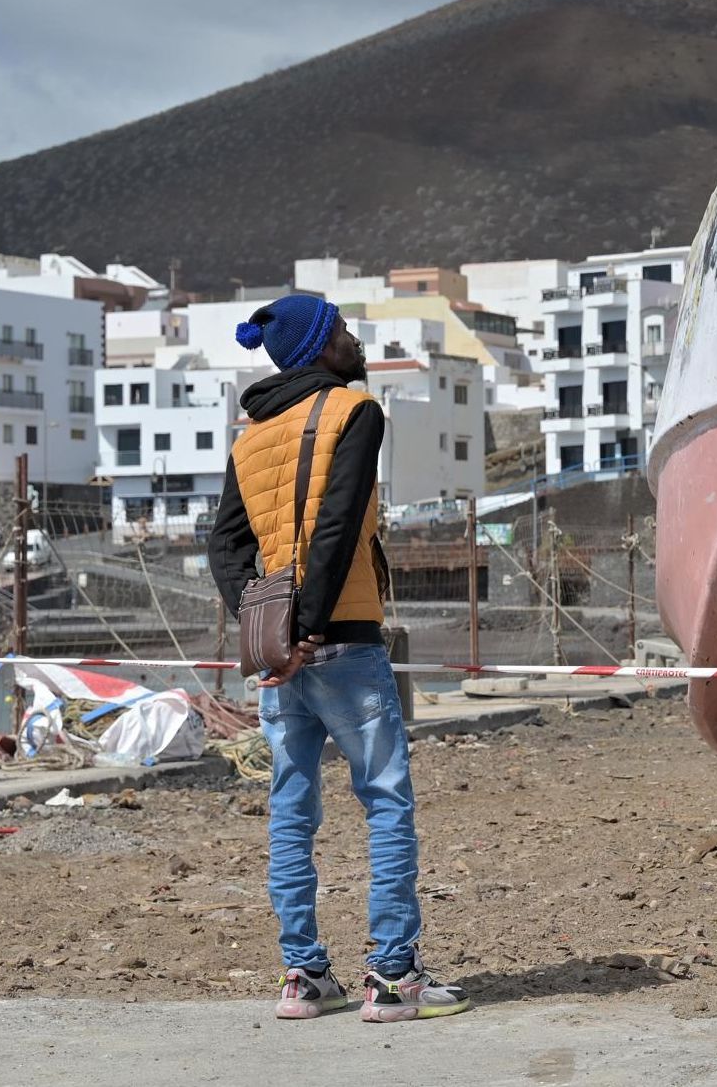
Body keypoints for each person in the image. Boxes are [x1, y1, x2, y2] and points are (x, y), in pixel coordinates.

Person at [207, 294, 470, 1023]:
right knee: (385, 799)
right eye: (345, 331)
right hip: (343, 640)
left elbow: (223, 546)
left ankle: (303, 975)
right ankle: (392, 976)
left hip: (279, 656)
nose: (356, 341)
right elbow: (336, 526)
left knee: (291, 809)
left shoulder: (249, 436)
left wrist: (266, 627)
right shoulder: (355, 412)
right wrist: (310, 629)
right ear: (323, 347)